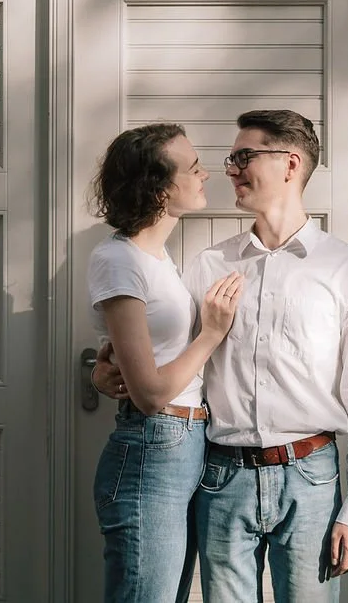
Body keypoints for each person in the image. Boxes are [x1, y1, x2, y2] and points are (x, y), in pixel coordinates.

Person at [93, 109, 348, 602]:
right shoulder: (209, 265)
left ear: (290, 164)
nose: (230, 168)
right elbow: (164, 362)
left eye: (243, 157)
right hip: (221, 478)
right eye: (230, 158)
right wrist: (104, 375)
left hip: (311, 479)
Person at [86, 122, 244, 603]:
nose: (205, 175)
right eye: (193, 167)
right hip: (152, 449)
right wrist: (211, 333)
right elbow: (153, 394)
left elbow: (140, 350)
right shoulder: (119, 260)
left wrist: (104, 364)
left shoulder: (158, 260)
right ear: (157, 186)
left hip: (184, 445)